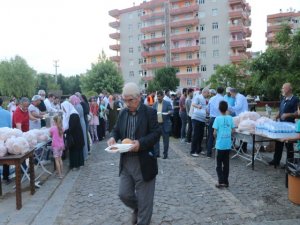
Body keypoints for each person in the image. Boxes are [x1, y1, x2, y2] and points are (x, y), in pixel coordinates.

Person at [107, 82, 160, 225]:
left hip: (144, 162)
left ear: (139, 98)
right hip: (126, 161)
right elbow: (116, 129)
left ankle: (143, 216)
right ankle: (137, 208)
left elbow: (156, 133)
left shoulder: (149, 112)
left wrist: (140, 144)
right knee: (124, 194)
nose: (127, 103)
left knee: (145, 201)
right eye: (125, 99)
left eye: (130, 100)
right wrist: (112, 137)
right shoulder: (123, 112)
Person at [269, 83, 299, 167]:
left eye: (283, 88)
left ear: (288, 89)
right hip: (281, 125)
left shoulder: (295, 99)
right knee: (278, 143)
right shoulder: (283, 98)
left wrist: (288, 115)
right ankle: (276, 160)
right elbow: (280, 110)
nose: (282, 90)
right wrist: (276, 116)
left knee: (289, 146)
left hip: (289, 126)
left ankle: (289, 163)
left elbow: (298, 113)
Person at [213, 101, 235, 188]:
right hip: (227, 144)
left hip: (220, 145)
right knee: (226, 164)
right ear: (227, 109)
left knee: (218, 164)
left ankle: (221, 181)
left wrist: (217, 137)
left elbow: (214, 133)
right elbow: (233, 130)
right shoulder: (230, 118)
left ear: (219, 109)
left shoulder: (217, 119)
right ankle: (226, 181)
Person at [61, 101, 84, 170]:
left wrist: (64, 131)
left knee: (75, 150)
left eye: (64, 108)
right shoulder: (69, 114)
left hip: (75, 136)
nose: (64, 110)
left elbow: (72, 127)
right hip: (74, 135)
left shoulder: (73, 115)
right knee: (74, 150)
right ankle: (75, 164)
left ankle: (76, 165)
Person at [152, 90, 173, 159]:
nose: (158, 98)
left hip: (165, 124)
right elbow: (152, 113)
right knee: (155, 140)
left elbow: (171, 110)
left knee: (166, 141)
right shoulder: (155, 104)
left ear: (163, 96)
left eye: (160, 96)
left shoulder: (167, 103)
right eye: (157, 96)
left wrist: (169, 112)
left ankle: (165, 154)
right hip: (157, 125)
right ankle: (157, 153)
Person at [190, 88, 209, 157]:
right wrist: (198, 106)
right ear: (204, 92)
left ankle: (199, 150)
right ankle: (193, 151)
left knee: (201, 135)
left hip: (202, 119)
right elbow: (193, 104)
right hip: (196, 118)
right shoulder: (198, 97)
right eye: (208, 93)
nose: (208, 94)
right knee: (196, 135)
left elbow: (205, 108)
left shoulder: (205, 99)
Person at [207, 87, 225, 157]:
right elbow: (227, 108)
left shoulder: (211, 98)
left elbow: (207, 109)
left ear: (217, 91)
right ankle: (220, 153)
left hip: (212, 118)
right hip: (220, 119)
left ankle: (209, 153)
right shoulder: (223, 99)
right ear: (223, 92)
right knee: (220, 136)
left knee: (210, 136)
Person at [0, 97, 12, 184]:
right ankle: (5, 177)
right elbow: (10, 127)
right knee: (6, 156)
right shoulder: (7, 113)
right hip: (5, 136)